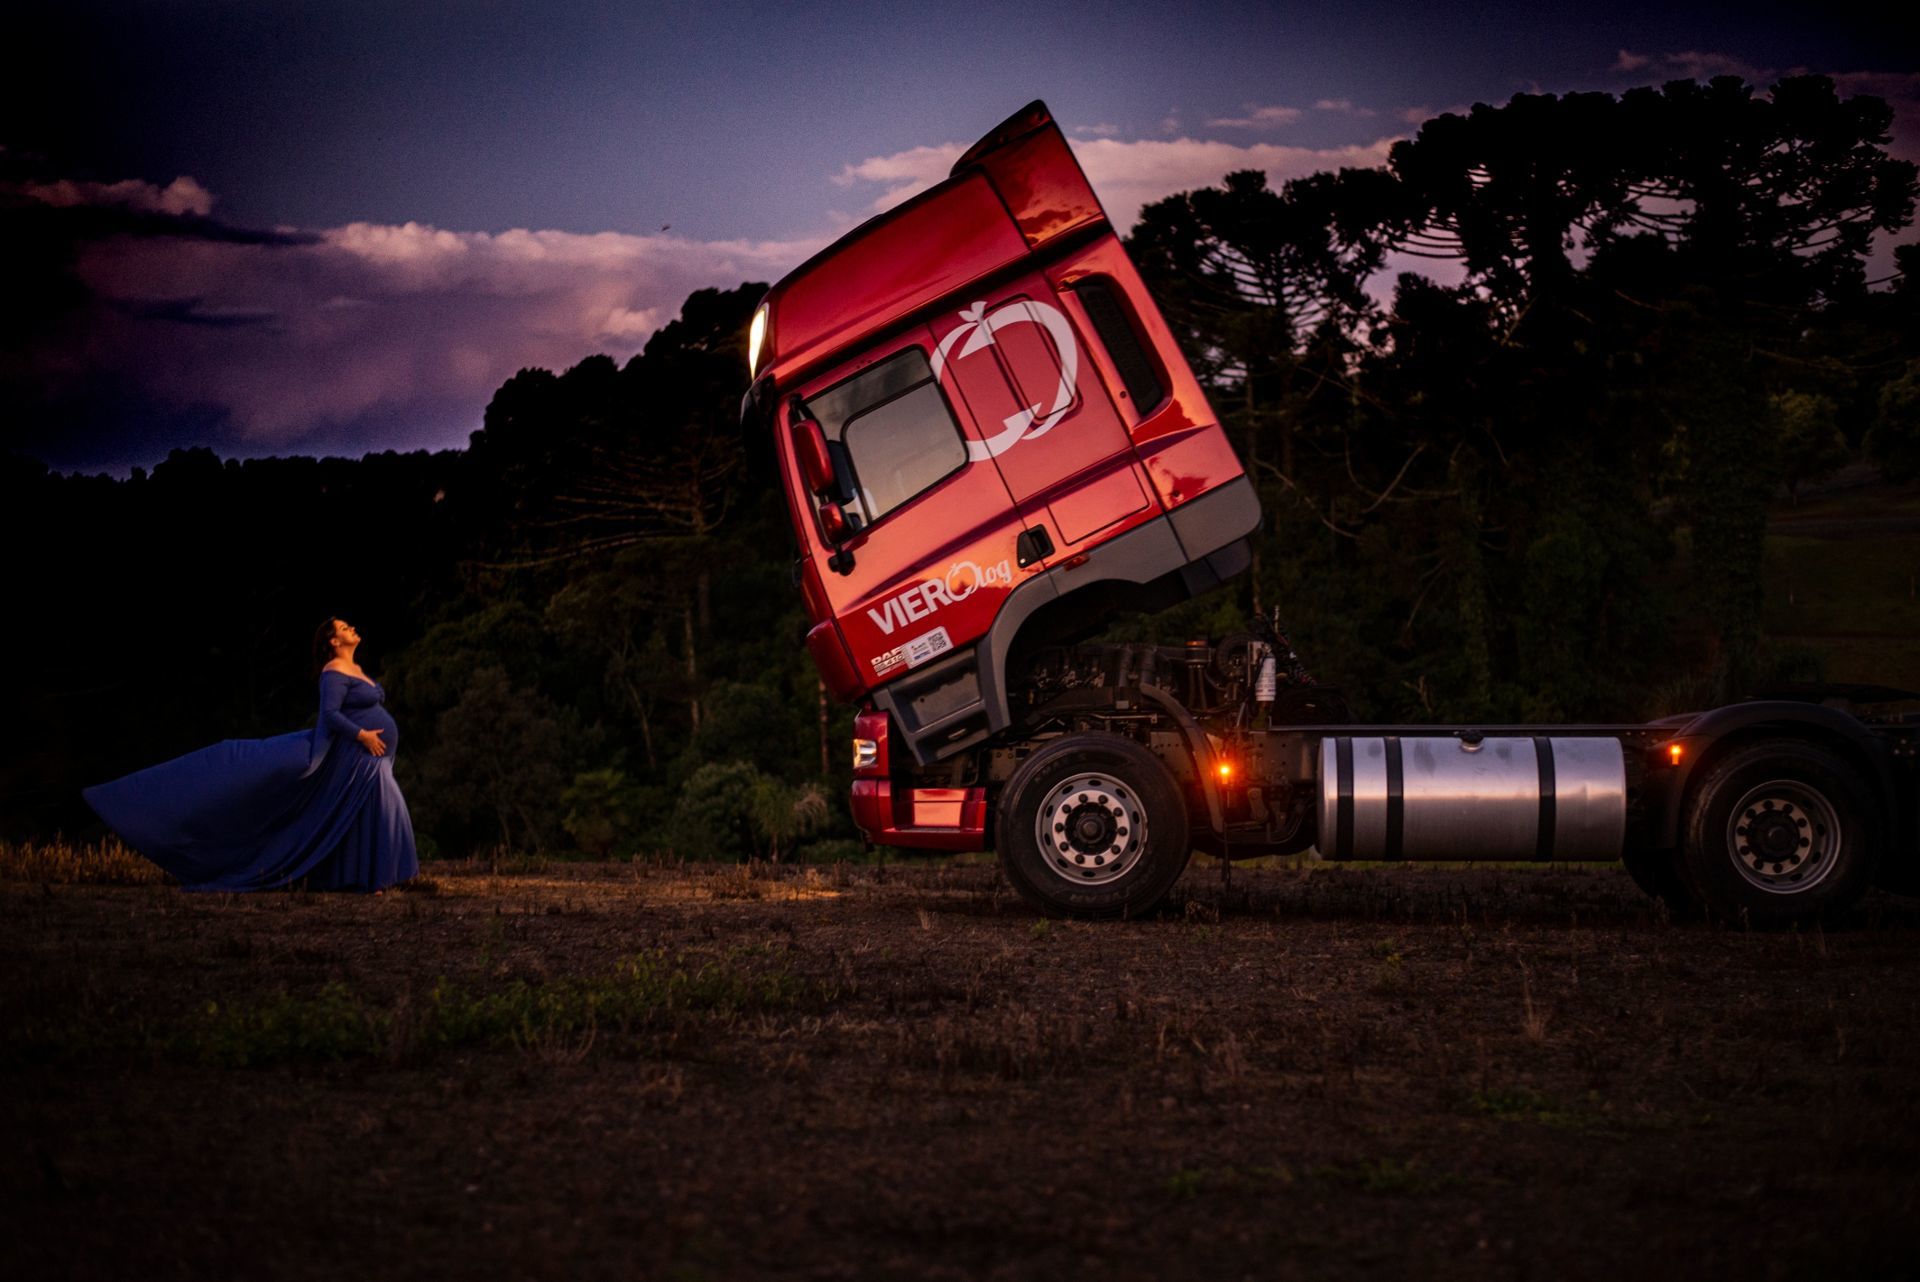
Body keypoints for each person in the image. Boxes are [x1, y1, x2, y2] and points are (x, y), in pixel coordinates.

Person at [83, 618, 418, 892]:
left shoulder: (355, 668)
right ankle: (376, 878)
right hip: (355, 752)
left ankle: (369, 878)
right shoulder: (334, 671)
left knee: (367, 809)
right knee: (384, 802)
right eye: (345, 628)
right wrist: (361, 734)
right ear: (333, 642)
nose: (352, 629)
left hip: (371, 753)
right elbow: (329, 714)